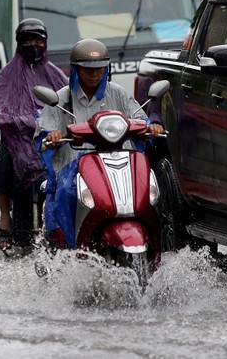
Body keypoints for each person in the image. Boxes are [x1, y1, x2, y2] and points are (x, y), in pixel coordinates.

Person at [35, 38, 164, 247]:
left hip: (117, 162)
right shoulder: (61, 98)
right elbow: (43, 132)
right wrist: (52, 136)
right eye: (88, 69)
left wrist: (151, 126)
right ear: (76, 70)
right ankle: (70, 245)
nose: (94, 74)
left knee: (148, 191)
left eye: (100, 69)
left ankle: (157, 242)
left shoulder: (117, 93)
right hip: (75, 167)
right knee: (68, 192)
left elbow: (138, 117)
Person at [0, 19, 67, 253]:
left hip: (47, 137)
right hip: (17, 137)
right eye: (28, 40)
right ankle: (6, 218)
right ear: (19, 43)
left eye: (38, 40)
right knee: (6, 160)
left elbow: (65, 101)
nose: (33, 44)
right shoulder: (8, 74)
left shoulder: (54, 74)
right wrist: (8, 120)